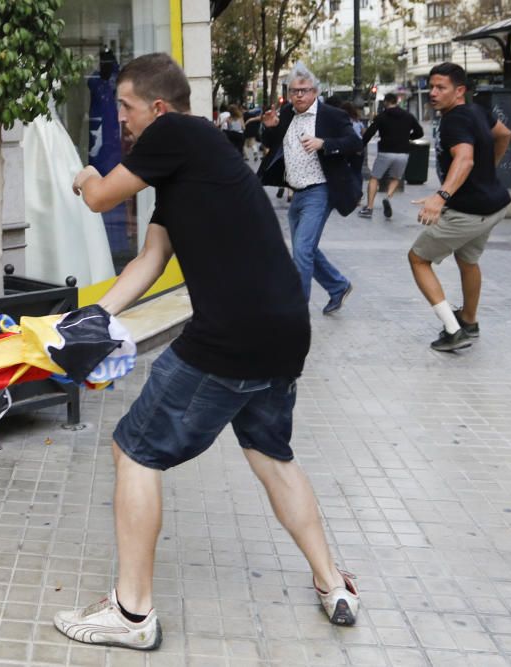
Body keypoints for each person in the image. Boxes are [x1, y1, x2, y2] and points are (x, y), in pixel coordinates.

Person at [53, 53, 360, 652]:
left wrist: (82, 171)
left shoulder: (174, 134)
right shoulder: (196, 157)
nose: (121, 120)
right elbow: (150, 260)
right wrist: (97, 314)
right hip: (281, 330)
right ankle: (334, 583)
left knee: (134, 451)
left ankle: (132, 613)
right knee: (271, 454)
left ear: (159, 108)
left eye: (126, 107)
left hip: (229, 336)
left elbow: (97, 197)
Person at [409, 62, 511, 352]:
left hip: (469, 211)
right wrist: (488, 168)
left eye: (441, 87)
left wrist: (440, 197)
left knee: (417, 258)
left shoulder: (454, 120)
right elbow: (503, 134)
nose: (433, 93)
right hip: (494, 205)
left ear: (460, 91)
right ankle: (469, 321)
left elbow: (464, 159)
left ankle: (454, 332)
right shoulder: (477, 110)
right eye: (432, 86)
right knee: (468, 261)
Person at [259, 63, 362, 314]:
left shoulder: (331, 115)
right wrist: (269, 128)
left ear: (315, 92)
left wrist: (324, 143)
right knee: (305, 250)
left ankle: (297, 312)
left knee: (302, 251)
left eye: (304, 90)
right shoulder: (286, 114)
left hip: (321, 190)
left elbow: (355, 142)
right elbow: (274, 144)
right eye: (294, 91)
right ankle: (337, 286)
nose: (299, 96)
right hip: (297, 192)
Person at [359, 93, 424, 219]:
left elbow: (369, 133)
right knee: (396, 178)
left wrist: (360, 146)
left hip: (385, 152)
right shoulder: (408, 116)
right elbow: (419, 132)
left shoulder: (382, 116)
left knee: (374, 178)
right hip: (403, 153)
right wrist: (407, 138)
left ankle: (369, 208)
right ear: (396, 101)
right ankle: (388, 197)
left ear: (386, 102)